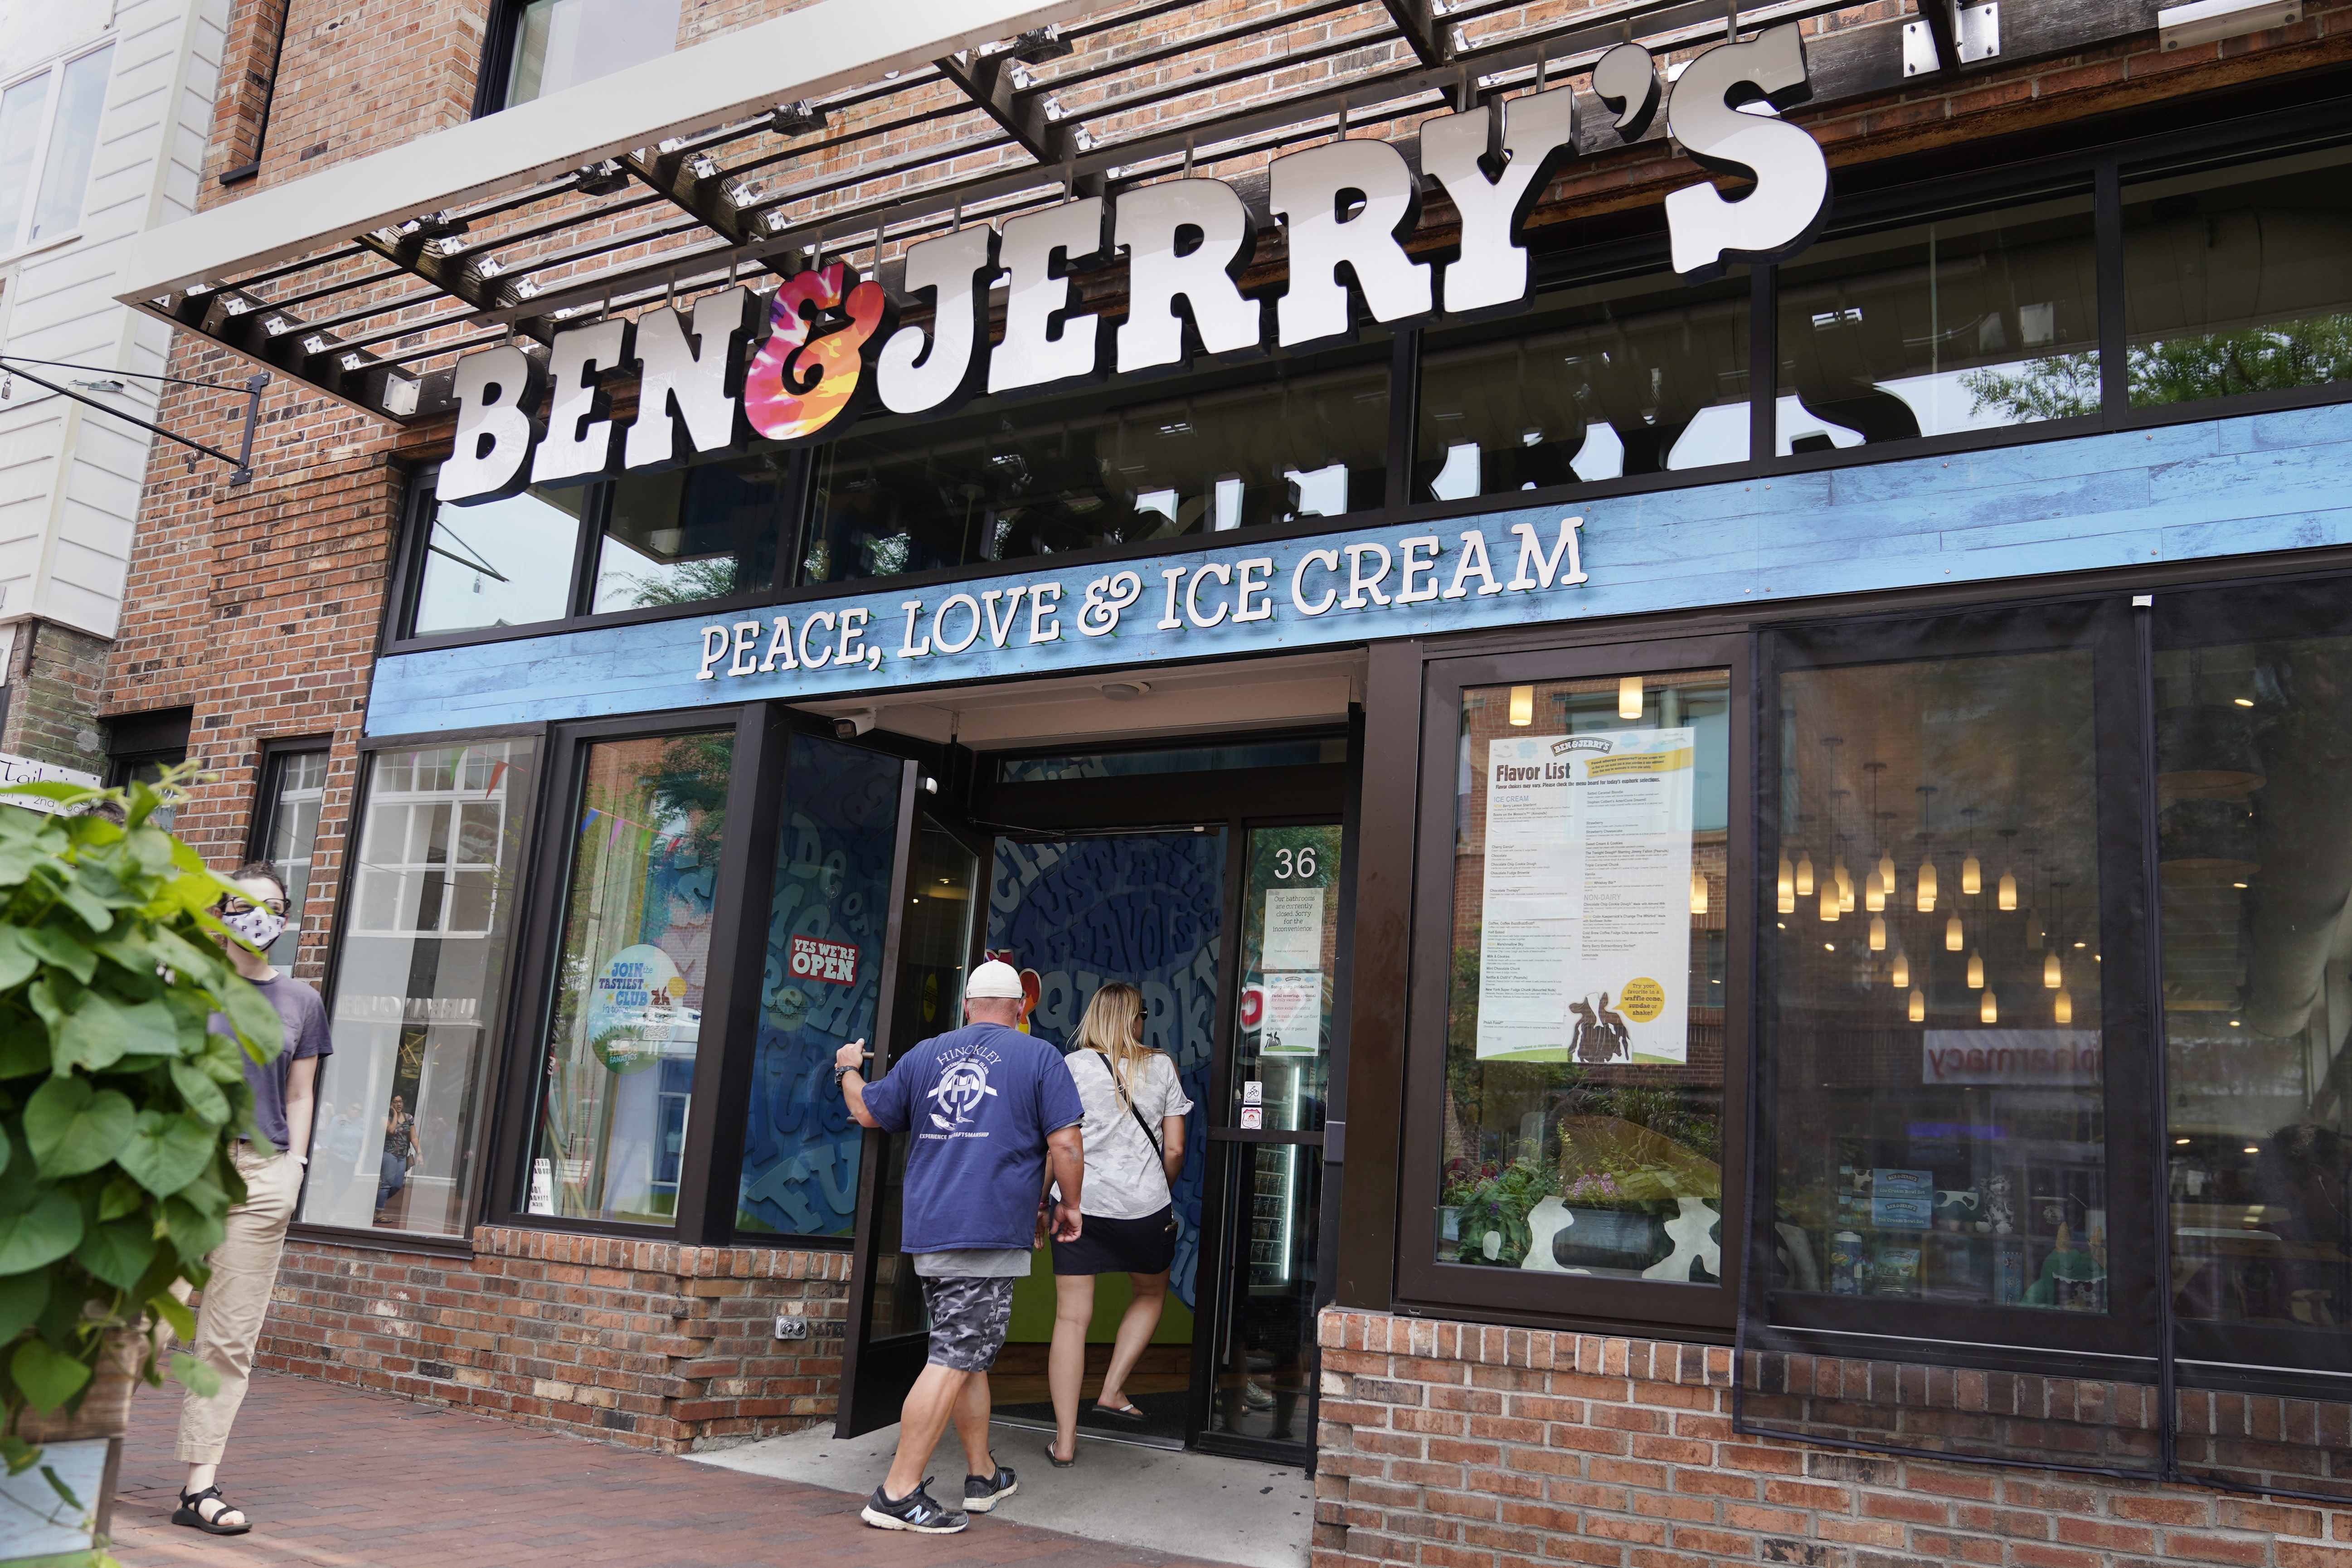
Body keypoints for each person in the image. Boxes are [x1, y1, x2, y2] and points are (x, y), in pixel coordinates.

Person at [835, 960, 1085, 1534]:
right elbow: (1066, 1144)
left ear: (967, 1007)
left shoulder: (926, 1054)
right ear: (1019, 1008)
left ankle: (982, 1475)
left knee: (965, 1352)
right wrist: (1067, 1205)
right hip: (988, 1228)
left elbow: (867, 1111)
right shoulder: (1039, 1056)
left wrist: (847, 1068)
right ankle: (896, 1493)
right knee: (952, 1357)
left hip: (932, 1227)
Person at [173, 863, 332, 1536]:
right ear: (223, 911)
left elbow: (300, 1091)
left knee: (229, 1339)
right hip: (185, 1168)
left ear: (286, 917)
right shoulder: (187, 983)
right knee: (142, 1321)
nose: (260, 915)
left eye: (274, 905)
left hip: (261, 1174)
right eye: (247, 904)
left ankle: (197, 1486)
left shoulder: (302, 1001)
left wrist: (294, 1164)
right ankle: (75, 1453)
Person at [1045, 982, 1190, 1466]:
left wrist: (1039, 1204)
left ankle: (1064, 1442)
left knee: (1071, 1320)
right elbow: (1173, 1149)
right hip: (1143, 1209)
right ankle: (1111, 1389)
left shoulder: (1072, 1067)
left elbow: (1056, 1144)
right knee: (1149, 1293)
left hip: (1079, 1205)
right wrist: (1155, 1189)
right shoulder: (1162, 1066)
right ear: (1134, 1017)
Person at [376, 1093, 416, 1216]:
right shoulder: (385, 1117)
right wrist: (394, 1115)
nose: (399, 1104)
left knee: (398, 1185)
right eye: (396, 1102)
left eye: (401, 1102)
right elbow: (391, 1131)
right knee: (387, 1184)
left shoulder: (409, 1118)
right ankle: (379, 1213)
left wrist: (419, 1153)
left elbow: (413, 1137)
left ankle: (376, 1203)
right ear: (391, 1104)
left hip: (402, 1156)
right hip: (389, 1154)